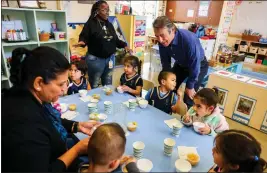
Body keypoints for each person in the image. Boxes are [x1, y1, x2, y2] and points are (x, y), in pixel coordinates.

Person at [2, 46, 100, 172]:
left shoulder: (32, 96)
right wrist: (76, 150)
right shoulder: (23, 124)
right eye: (60, 84)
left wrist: (77, 126)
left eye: (66, 82)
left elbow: (50, 122)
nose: (65, 89)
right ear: (39, 83)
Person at [153, 16, 208, 108]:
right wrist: (166, 79)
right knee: (169, 88)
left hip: (198, 65)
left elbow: (195, 65)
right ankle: (165, 114)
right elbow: (165, 63)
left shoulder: (189, 40)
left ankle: (187, 120)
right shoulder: (161, 41)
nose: (160, 40)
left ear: (173, 30)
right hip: (181, 64)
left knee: (189, 96)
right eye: (157, 36)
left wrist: (190, 86)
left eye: (162, 35)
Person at [77, 0, 131, 89]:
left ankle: (107, 102)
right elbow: (84, 37)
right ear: (97, 11)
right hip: (95, 60)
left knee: (108, 85)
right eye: (104, 10)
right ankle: (94, 102)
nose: (107, 12)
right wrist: (82, 42)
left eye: (108, 10)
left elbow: (115, 40)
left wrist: (125, 45)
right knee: (94, 85)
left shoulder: (109, 25)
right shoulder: (90, 24)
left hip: (110, 59)